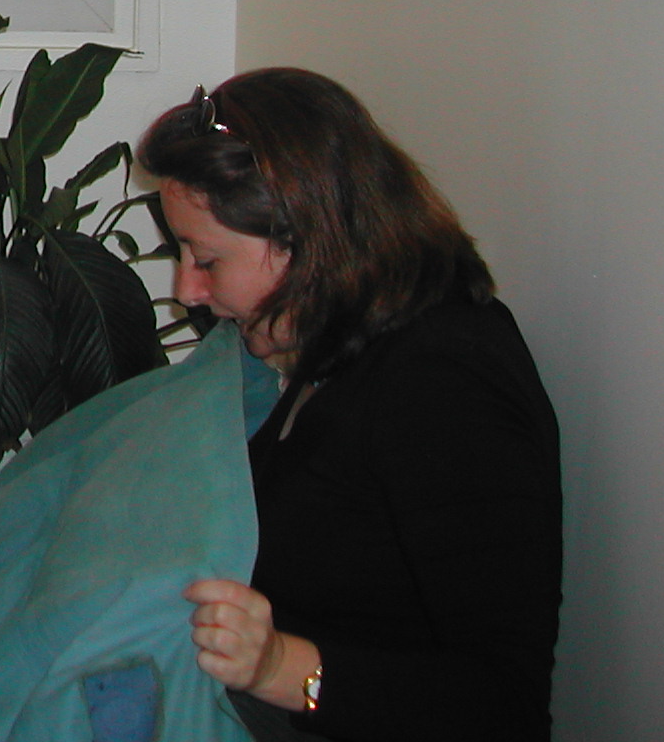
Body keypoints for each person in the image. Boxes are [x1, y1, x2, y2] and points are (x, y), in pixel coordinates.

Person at [137, 70, 561, 742]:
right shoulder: (332, 348)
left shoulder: (446, 387)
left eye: (207, 259)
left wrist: (279, 666)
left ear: (309, 242)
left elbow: (502, 705)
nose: (186, 290)